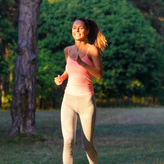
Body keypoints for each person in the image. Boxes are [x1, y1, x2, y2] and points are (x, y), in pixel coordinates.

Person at [54, 17, 107, 164]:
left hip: (86, 101)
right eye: (74, 27)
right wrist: (63, 77)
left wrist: (82, 63)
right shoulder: (68, 50)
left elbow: (99, 75)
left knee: (87, 146)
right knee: (68, 142)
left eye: (80, 27)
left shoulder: (92, 50)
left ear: (87, 31)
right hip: (68, 100)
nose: (76, 30)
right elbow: (69, 68)